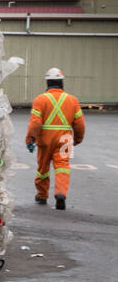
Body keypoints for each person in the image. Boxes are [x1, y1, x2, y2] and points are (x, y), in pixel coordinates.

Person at [26, 67, 85, 210]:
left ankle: (41, 195)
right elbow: (79, 124)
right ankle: (61, 193)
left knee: (43, 168)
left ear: (48, 83)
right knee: (63, 167)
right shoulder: (73, 100)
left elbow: (35, 122)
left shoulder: (40, 99)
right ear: (61, 82)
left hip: (45, 138)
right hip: (65, 139)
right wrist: (77, 139)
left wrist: (30, 139)